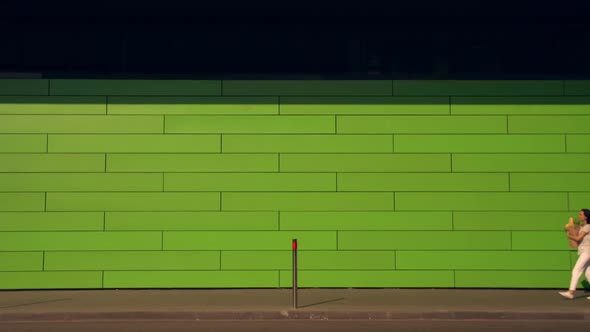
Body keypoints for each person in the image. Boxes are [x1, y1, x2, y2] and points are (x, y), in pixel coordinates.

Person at [559, 209, 590, 299]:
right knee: (588, 273)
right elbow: (572, 229)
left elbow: (578, 238)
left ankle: (571, 292)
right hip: (585, 251)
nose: (579, 216)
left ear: (586, 217)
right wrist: (568, 228)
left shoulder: (588, 226)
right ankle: (571, 292)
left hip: (587, 251)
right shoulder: (582, 226)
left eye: (581, 214)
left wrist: (569, 236)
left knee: (576, 270)